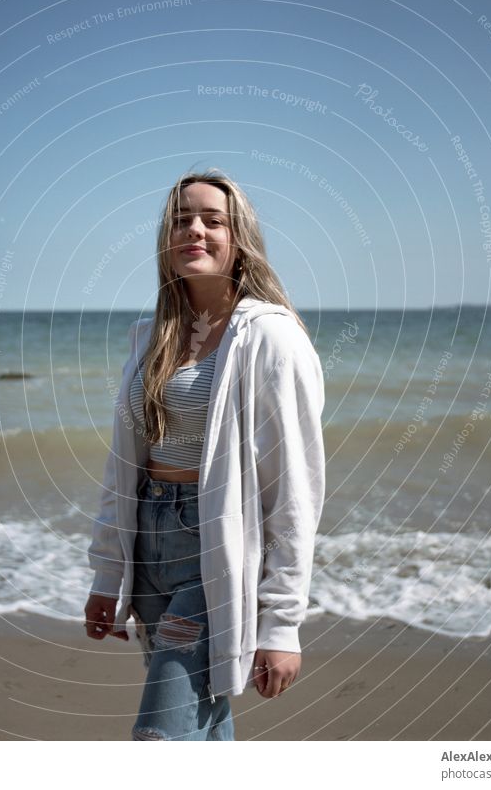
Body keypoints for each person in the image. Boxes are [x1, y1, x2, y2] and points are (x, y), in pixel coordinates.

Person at [84, 168, 326, 741]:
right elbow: (124, 464)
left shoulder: (271, 335)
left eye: (212, 220)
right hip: (150, 546)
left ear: (238, 238)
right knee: (203, 726)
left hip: (217, 543)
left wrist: (282, 624)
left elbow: (294, 486)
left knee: (161, 740)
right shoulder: (152, 339)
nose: (194, 229)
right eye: (181, 219)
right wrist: (107, 572)